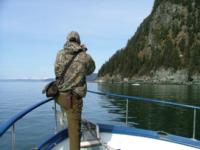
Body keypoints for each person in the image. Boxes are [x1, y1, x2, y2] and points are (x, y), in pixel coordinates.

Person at [54, 31, 95, 150]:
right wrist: (83, 51)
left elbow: (57, 72)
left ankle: (64, 117)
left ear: (67, 40)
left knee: (68, 118)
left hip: (59, 96)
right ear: (78, 41)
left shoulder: (59, 54)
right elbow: (91, 70)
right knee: (74, 133)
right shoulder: (84, 56)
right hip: (72, 100)